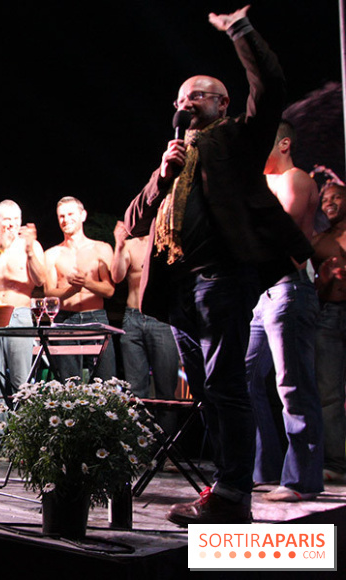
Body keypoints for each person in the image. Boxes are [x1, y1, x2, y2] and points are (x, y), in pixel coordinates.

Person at [122, 7, 312, 525]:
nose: (188, 103)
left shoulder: (238, 139)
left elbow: (271, 85)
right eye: (183, 98)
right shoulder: (175, 156)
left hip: (221, 276)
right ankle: (226, 484)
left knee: (226, 384)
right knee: (206, 388)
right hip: (178, 289)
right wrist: (163, 174)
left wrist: (240, 31)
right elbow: (133, 221)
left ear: (223, 103)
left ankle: (232, 495)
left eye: (199, 95)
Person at [246, 121, 324, 502]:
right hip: (264, 294)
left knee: (292, 384)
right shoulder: (264, 185)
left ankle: (301, 480)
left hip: (289, 287)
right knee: (244, 377)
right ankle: (264, 469)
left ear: (284, 144)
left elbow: (284, 233)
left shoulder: (295, 179)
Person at [0, 200, 46, 463]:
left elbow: (41, 280)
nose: (11, 224)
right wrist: (1, 248)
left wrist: (29, 252)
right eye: (5, 219)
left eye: (15, 219)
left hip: (20, 314)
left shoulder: (32, 246)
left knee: (22, 383)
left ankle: (23, 444)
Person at [44, 196, 116, 380]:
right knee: (68, 381)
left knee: (105, 380)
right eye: (61, 216)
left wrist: (86, 283)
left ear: (83, 215)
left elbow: (109, 290)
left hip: (95, 316)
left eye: (70, 214)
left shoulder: (101, 248)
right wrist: (72, 290)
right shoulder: (52, 254)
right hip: (65, 319)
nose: (65, 220)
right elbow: (49, 292)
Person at [111, 221, 180, 407]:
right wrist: (118, 244)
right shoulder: (131, 245)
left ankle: (167, 436)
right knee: (135, 390)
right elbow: (116, 277)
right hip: (132, 318)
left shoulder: (169, 243)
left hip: (161, 318)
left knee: (166, 391)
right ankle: (140, 435)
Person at [312, 182, 346, 483]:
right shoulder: (319, 241)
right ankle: (336, 463)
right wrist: (323, 279)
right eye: (325, 199)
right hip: (329, 316)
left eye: (337, 197)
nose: (330, 202)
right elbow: (313, 289)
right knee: (330, 394)